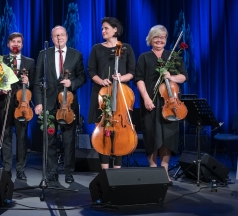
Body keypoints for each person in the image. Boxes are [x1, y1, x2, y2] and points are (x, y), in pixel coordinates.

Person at [135, 25, 188, 184]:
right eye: (156, 37)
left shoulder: (173, 56)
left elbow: (183, 77)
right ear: (150, 39)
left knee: (168, 137)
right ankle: (153, 170)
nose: (159, 40)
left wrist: (170, 76)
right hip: (150, 103)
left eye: (163, 37)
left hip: (170, 103)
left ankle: (164, 170)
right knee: (152, 136)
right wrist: (145, 98)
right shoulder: (144, 57)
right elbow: (139, 79)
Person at [34, 25, 86, 184]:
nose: (59, 38)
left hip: (68, 104)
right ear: (52, 38)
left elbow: (82, 77)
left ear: (67, 36)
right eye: (56, 35)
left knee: (68, 140)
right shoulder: (44, 54)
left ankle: (69, 172)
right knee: (49, 140)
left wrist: (72, 82)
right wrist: (38, 103)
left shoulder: (76, 55)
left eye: (62, 35)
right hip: (49, 104)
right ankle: (52, 172)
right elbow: (36, 81)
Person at [87, 17, 136, 169]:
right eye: (102, 28)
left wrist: (122, 78)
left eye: (106, 28)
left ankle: (117, 170)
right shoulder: (97, 48)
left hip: (121, 95)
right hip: (102, 94)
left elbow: (132, 72)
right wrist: (101, 81)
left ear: (115, 29)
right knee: (102, 132)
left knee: (121, 132)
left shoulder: (126, 48)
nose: (103, 31)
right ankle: (104, 171)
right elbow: (91, 71)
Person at [0, 32, 35, 180]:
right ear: (8, 44)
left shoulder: (29, 62)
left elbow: (35, 84)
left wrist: (27, 82)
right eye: (13, 42)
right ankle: (6, 169)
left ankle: (20, 170)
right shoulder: (0, 61)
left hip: (22, 105)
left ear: (22, 45)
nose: (15, 44)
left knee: (22, 138)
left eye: (18, 42)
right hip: (4, 103)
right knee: (5, 137)